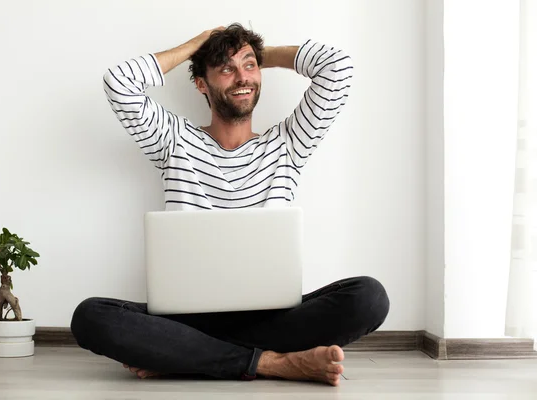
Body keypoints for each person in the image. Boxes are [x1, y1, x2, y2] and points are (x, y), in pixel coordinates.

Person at [71, 23, 389, 386]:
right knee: (90, 317)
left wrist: (257, 56)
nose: (242, 77)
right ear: (202, 84)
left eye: (249, 66)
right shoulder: (174, 141)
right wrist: (197, 46)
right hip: (185, 318)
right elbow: (119, 82)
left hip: (273, 317)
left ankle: (188, 357)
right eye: (226, 68)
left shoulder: (288, 144)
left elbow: (338, 68)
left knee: (369, 297)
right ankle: (272, 363)